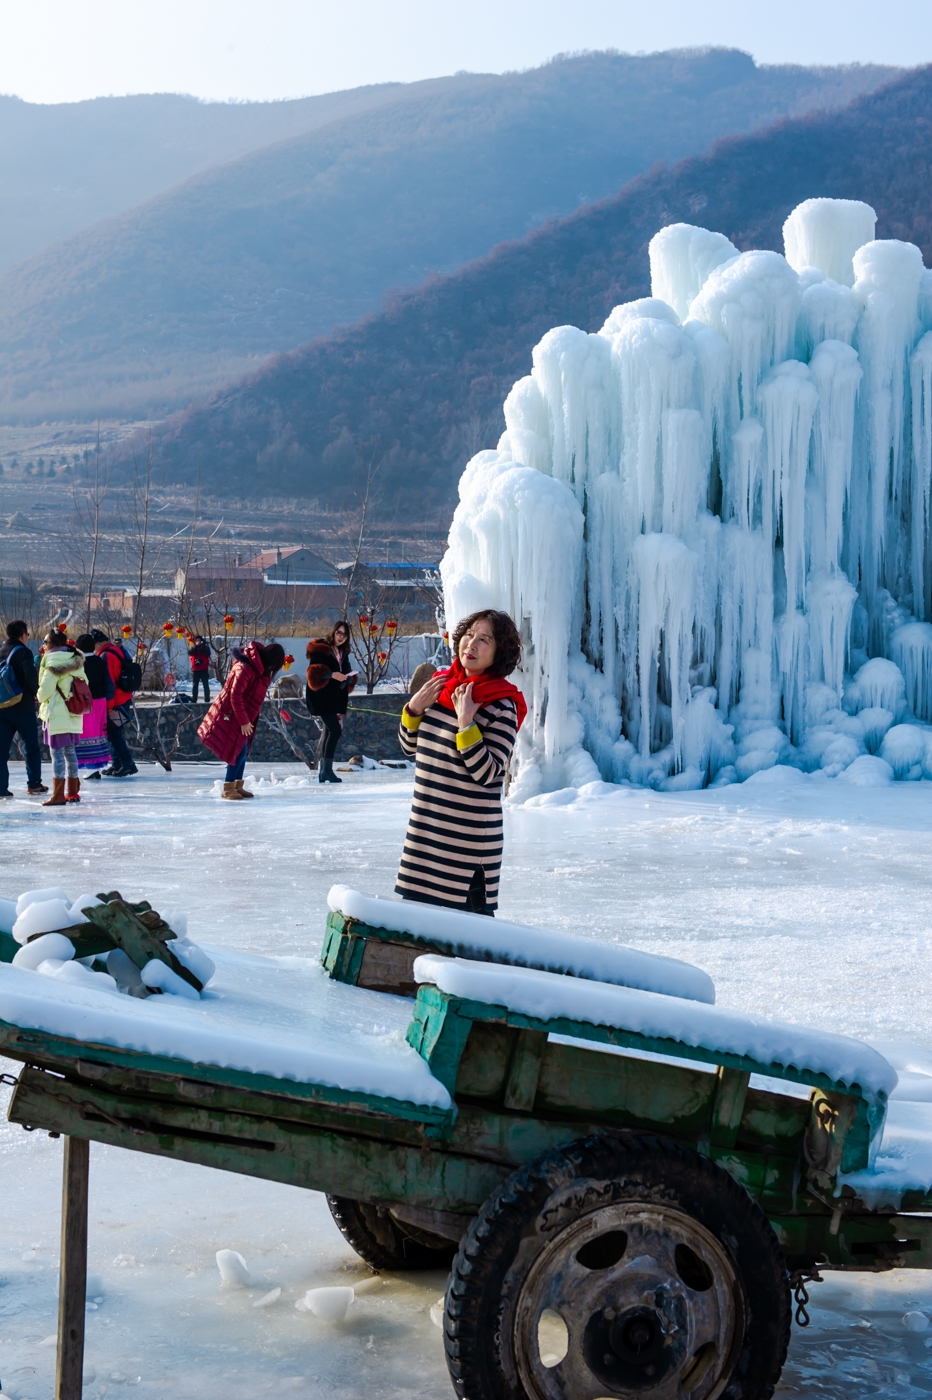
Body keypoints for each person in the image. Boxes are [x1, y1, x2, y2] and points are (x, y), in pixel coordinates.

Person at [396, 610, 526, 915]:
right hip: (425, 838)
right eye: (469, 634)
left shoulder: (501, 705)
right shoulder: (440, 689)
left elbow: (489, 773)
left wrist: (466, 723)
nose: (472, 643)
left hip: (466, 850)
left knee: (470, 953)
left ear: (498, 653)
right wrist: (413, 710)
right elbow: (409, 749)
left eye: (484, 640)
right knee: (422, 943)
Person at [197, 640, 285, 800]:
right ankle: (228, 786)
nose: (273, 670)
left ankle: (237, 785)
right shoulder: (247, 667)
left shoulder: (259, 669)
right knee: (237, 751)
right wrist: (244, 721)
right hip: (231, 714)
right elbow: (235, 695)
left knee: (242, 750)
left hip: (241, 715)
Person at [37, 632, 89, 806]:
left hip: (57, 714)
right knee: (70, 753)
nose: (43, 645)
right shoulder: (76, 660)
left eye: (45, 642)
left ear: (50, 643)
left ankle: (58, 795)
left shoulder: (51, 662)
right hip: (74, 713)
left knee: (57, 755)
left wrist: (37, 696)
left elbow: (45, 691)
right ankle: (72, 792)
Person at [305, 621, 357, 784]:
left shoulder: (343, 652)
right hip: (321, 697)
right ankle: (326, 770)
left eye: (345, 634)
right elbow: (313, 673)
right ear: (333, 632)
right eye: (338, 633)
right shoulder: (321, 649)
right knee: (335, 731)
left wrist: (349, 677)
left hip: (335, 696)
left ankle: (324, 772)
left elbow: (345, 670)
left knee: (330, 731)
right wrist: (332, 675)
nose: (341, 637)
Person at [0, 620, 47, 797]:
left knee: (1, 749)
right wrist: (36, 692)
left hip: (2, 708)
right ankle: (34, 784)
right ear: (22, 635)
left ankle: (1, 787)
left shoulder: (1, 651)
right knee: (30, 745)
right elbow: (30, 674)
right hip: (23, 707)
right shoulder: (23, 652)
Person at [93, 630, 138, 777]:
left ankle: (127, 764)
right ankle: (117, 764)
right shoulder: (117, 651)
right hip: (124, 697)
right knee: (114, 732)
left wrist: (109, 707)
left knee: (114, 734)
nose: (94, 649)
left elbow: (109, 683)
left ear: (99, 643)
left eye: (95, 646)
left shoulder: (106, 656)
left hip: (116, 700)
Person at [74, 633, 114, 780]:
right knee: (98, 732)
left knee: (86, 733)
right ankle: (98, 764)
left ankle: (91, 767)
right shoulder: (99, 660)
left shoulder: (78, 662)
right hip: (100, 701)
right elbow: (107, 682)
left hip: (85, 701)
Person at [189, 635, 212, 703]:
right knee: (195, 685)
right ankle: (194, 698)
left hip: (204, 669)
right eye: (197, 641)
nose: (198, 642)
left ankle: (207, 699)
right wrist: (196, 646)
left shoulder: (205, 647)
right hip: (195, 669)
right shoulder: (193, 648)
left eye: (199, 640)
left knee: (205, 685)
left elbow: (208, 653)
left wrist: (202, 647)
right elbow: (190, 652)